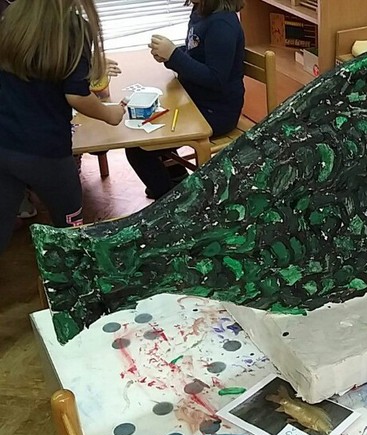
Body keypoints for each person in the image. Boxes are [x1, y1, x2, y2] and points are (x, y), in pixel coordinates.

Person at [0, 0, 125, 251]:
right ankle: (73, 270)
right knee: (70, 229)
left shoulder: (13, 16)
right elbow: (77, 96)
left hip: (5, 142)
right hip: (46, 152)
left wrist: (86, 65)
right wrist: (110, 115)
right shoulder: (74, 27)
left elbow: (37, 67)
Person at [125, 0, 245, 200]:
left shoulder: (222, 24)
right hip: (194, 102)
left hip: (216, 113)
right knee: (147, 127)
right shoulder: (201, 11)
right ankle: (176, 178)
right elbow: (197, 53)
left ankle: (174, 204)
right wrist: (171, 56)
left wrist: (174, 56)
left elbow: (215, 79)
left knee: (138, 149)